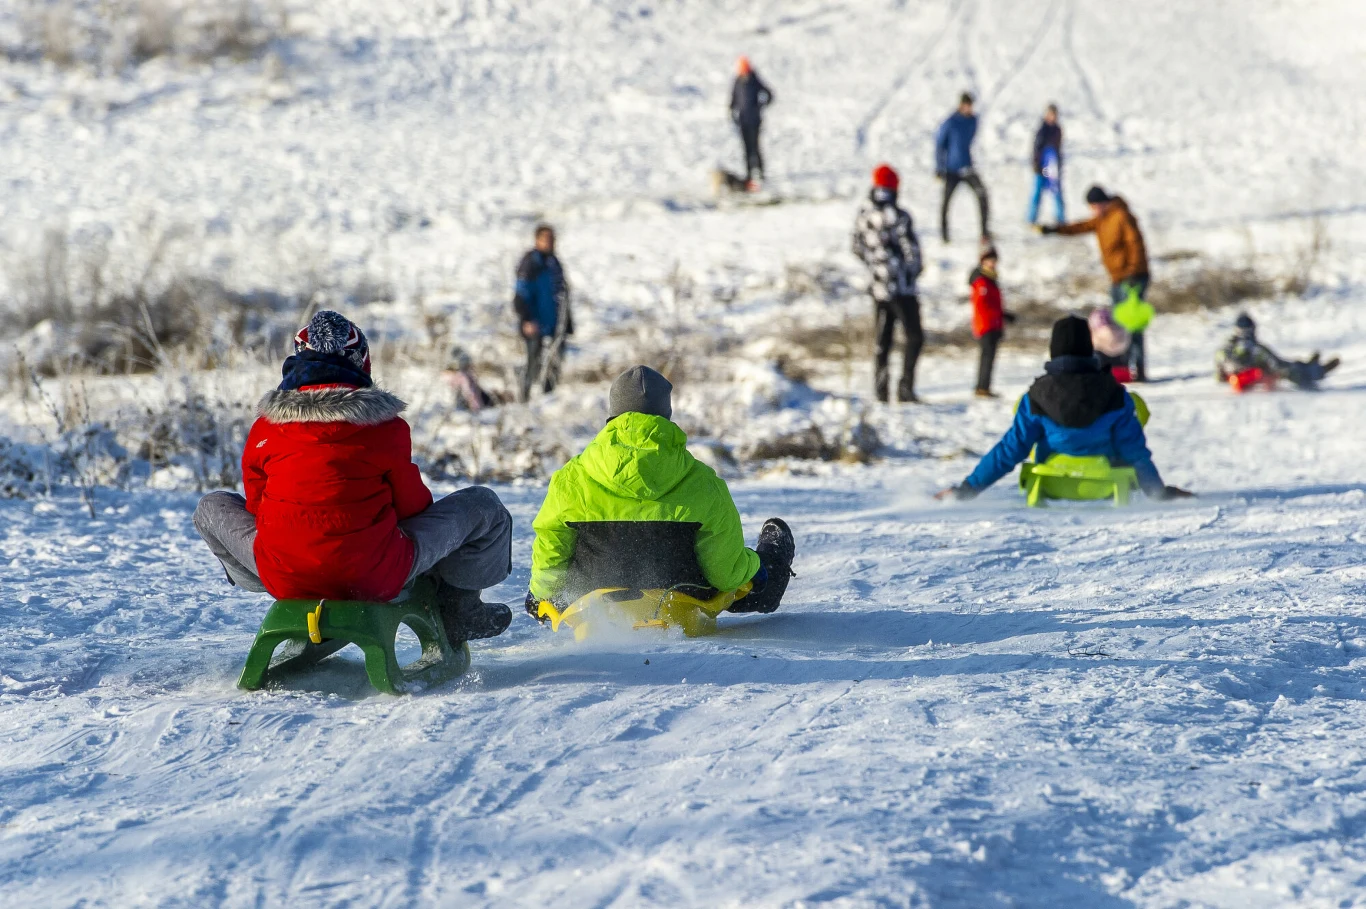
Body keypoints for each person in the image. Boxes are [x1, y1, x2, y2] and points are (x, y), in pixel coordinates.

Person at [192, 310, 513, 642]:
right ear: (361, 362)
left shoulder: (266, 427)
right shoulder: (385, 427)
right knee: (483, 505)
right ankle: (460, 609)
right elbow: (412, 508)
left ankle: (266, 578)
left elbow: (258, 507)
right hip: (372, 576)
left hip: (282, 575)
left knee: (210, 507)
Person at [527, 366, 796, 617]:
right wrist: (755, 568)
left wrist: (540, 595)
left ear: (612, 415)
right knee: (754, 572)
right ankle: (770, 560)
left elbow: (551, 555)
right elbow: (726, 575)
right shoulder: (703, 482)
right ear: (666, 416)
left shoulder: (571, 479)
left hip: (595, 612)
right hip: (681, 607)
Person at [935, 316, 1192, 501]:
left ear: (1054, 350)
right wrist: (1159, 493)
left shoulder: (1036, 395)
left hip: (1053, 486)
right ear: (1088, 349)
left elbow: (1009, 450)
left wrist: (966, 490)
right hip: (1104, 488)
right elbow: (1134, 451)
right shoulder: (1114, 393)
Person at [1039, 185, 1151, 380]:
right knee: (1118, 325)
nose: (1093, 210)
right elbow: (1081, 227)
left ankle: (1138, 367)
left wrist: (1133, 272)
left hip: (1132, 277)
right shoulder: (1102, 219)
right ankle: (1122, 366)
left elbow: (1135, 244)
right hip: (1117, 278)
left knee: (1132, 323)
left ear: (1103, 202)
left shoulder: (1121, 216)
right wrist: (1055, 229)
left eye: (1095, 206)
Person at [852, 164, 924, 403]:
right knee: (914, 336)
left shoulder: (864, 216)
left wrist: (876, 267)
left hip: (879, 289)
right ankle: (905, 388)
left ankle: (880, 390)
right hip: (902, 288)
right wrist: (909, 271)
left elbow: (856, 247)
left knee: (883, 340)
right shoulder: (899, 217)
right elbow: (911, 252)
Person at [513, 224, 572, 402]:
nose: (550, 243)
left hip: (554, 323)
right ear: (537, 240)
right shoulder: (530, 263)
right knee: (533, 362)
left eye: (552, 239)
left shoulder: (554, 263)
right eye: (546, 239)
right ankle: (524, 399)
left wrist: (567, 322)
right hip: (535, 322)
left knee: (554, 363)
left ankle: (548, 398)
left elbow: (563, 294)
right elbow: (521, 293)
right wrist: (526, 319)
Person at [1216, 313, 1339, 389]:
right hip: (1253, 378)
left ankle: (1309, 365)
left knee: (1287, 366)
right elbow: (1277, 364)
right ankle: (1316, 371)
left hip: (1239, 381)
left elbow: (1219, 376)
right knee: (1289, 369)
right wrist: (1272, 372)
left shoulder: (1225, 349)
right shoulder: (1255, 348)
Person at [935, 92, 990, 243]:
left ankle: (984, 232)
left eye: (971, 105)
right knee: (946, 201)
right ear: (961, 105)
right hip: (951, 169)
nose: (969, 108)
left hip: (967, 167)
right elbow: (940, 145)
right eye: (967, 105)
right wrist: (939, 167)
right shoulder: (950, 122)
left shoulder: (973, 121)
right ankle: (944, 235)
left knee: (982, 194)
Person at [969, 246, 1012, 398]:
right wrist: (998, 315)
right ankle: (982, 387)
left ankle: (984, 386)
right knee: (986, 357)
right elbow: (982, 305)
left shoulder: (991, 279)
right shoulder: (982, 281)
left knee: (989, 357)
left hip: (994, 323)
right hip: (986, 324)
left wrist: (1003, 315)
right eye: (990, 260)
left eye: (994, 260)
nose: (993, 263)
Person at [730, 56, 774, 188]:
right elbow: (733, 97)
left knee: (755, 147)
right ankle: (748, 174)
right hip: (743, 120)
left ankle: (760, 172)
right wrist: (731, 111)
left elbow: (769, 94)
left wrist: (761, 105)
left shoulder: (754, 80)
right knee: (746, 148)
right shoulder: (737, 81)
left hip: (754, 120)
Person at [1028, 104, 1064, 226]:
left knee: (1057, 192)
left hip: (1052, 167)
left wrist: (1058, 165)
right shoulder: (1042, 130)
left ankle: (1060, 219)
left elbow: (1058, 149)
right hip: (1041, 167)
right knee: (1037, 192)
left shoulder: (1057, 130)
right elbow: (1036, 149)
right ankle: (1031, 218)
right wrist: (1036, 165)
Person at [1088, 306, 1133, 380]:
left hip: (1104, 371)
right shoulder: (1121, 328)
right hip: (1122, 368)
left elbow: (1093, 344)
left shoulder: (1099, 331)